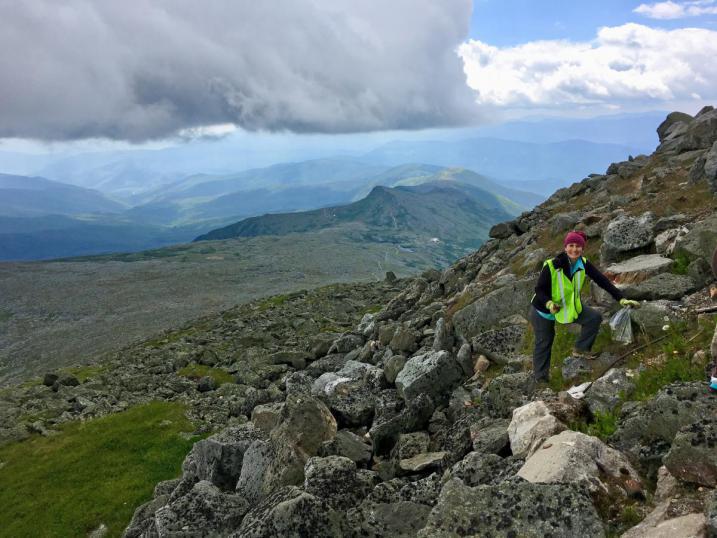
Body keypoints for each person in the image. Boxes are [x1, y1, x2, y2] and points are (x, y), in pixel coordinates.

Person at [529, 230, 640, 383]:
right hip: (542, 309)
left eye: (578, 246)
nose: (574, 249)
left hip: (568, 307)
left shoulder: (583, 263)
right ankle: (541, 379)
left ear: (582, 248)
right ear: (565, 247)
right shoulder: (552, 265)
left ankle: (580, 350)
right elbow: (539, 290)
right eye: (571, 245)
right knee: (545, 341)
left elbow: (602, 281)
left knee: (594, 318)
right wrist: (549, 304)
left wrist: (621, 299)